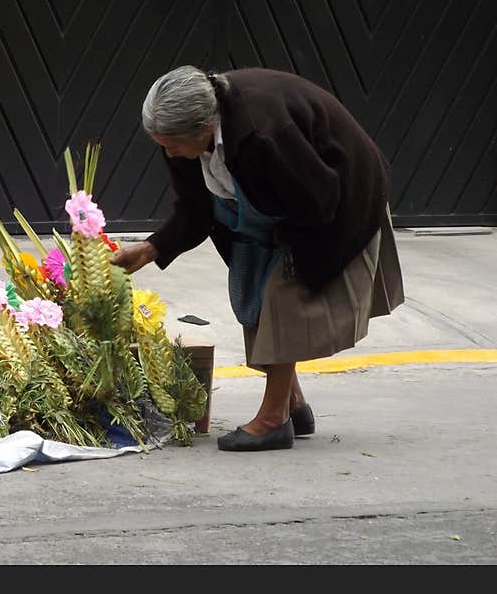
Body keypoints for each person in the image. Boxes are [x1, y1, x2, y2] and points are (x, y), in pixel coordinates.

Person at [112, 66, 405, 452]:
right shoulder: (187, 136)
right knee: (253, 296)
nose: (168, 154)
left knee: (280, 295)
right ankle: (293, 403)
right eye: (161, 144)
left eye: (173, 145)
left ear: (204, 126)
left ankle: (273, 420)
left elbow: (318, 201)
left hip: (336, 201)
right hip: (278, 207)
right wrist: (152, 249)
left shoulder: (264, 131)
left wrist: (278, 249)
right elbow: (195, 208)